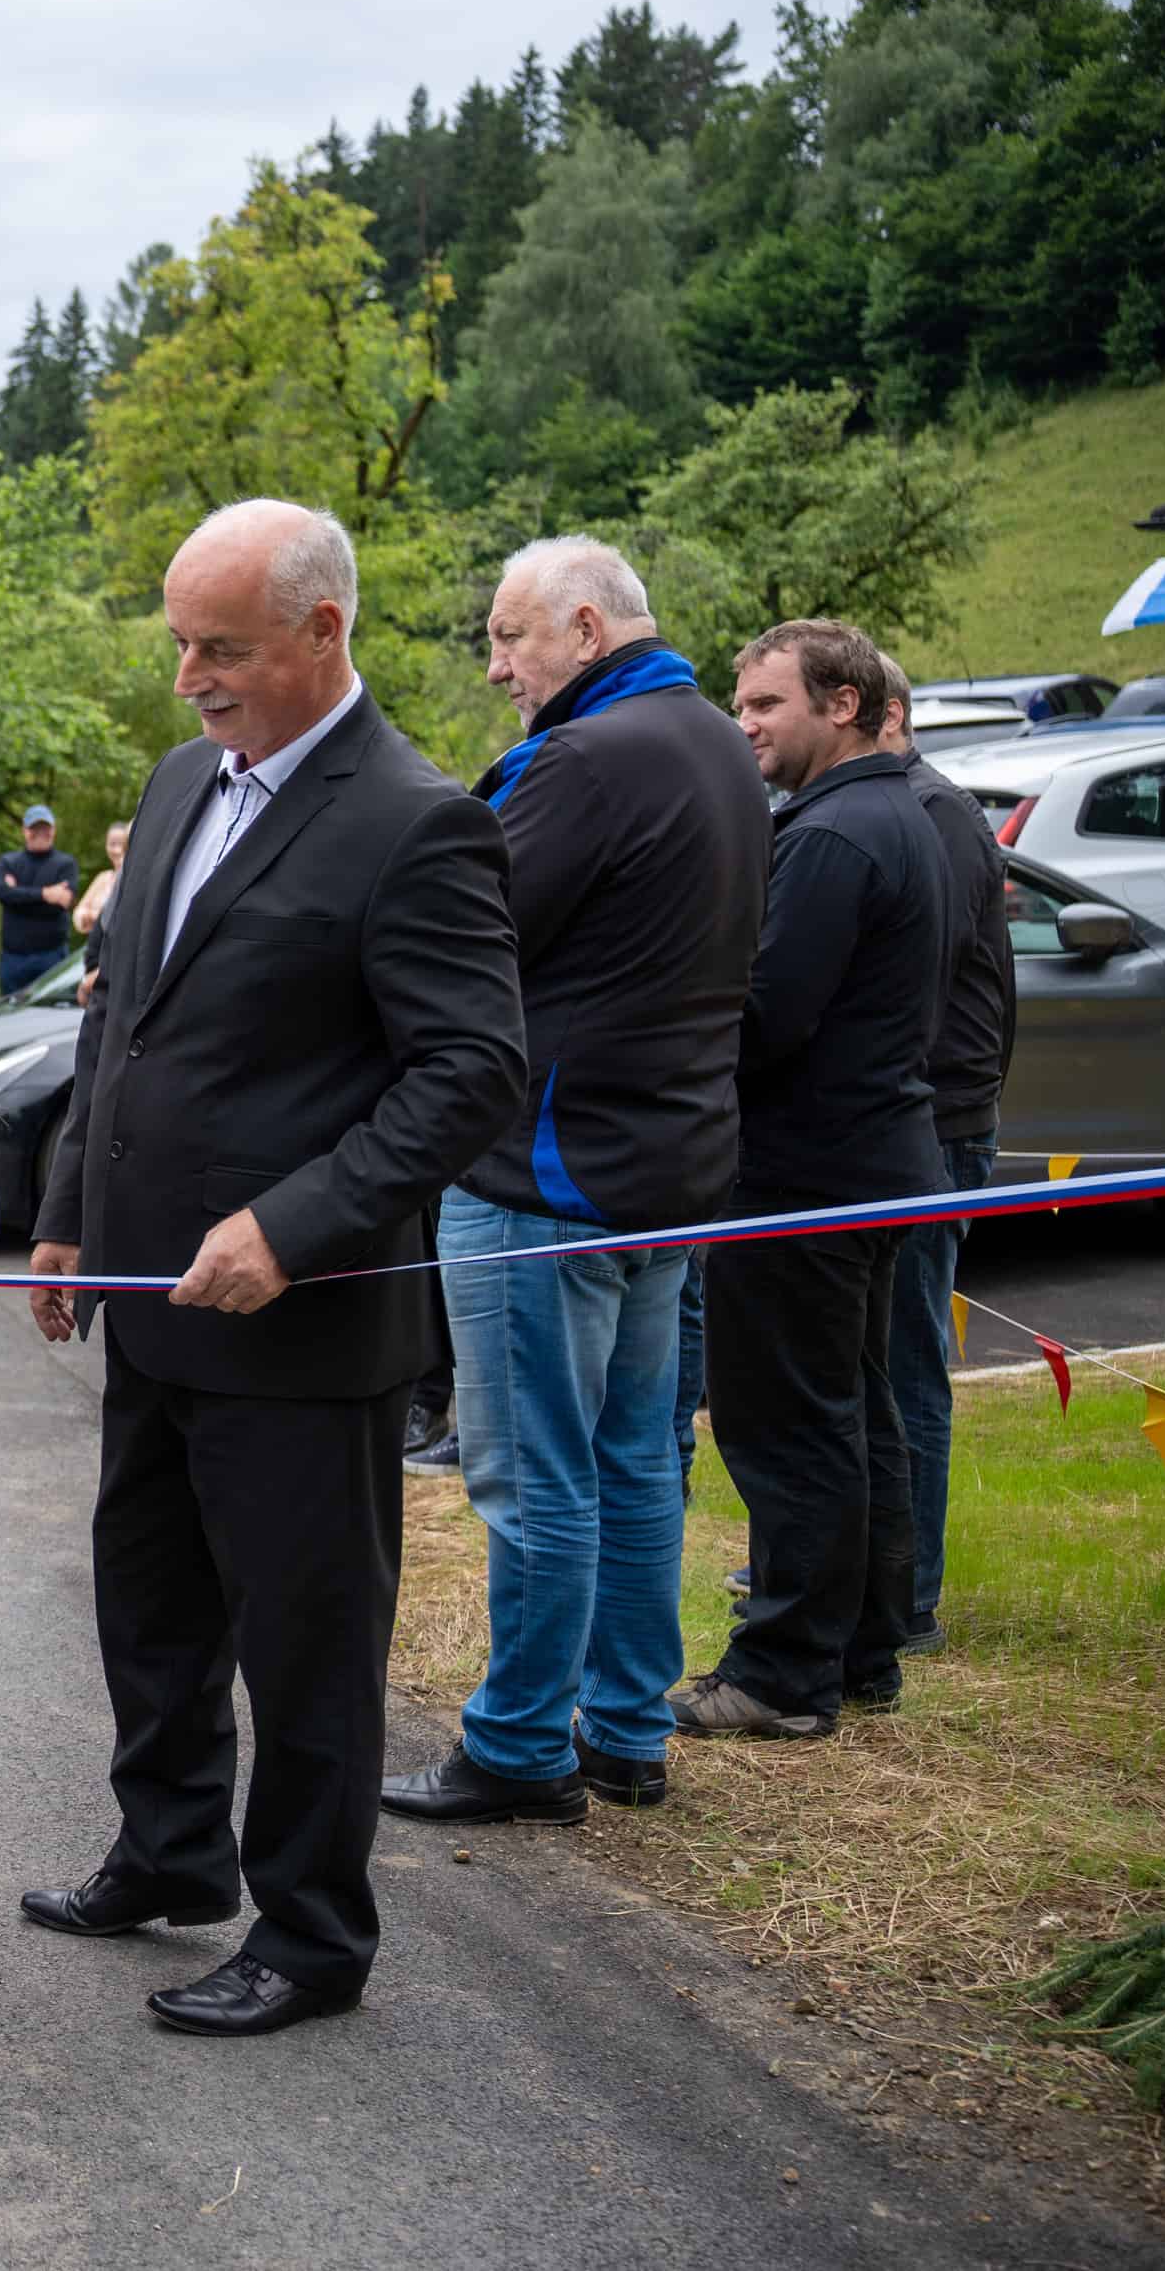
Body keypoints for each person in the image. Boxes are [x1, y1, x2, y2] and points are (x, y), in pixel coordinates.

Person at [23, 500, 525, 2039]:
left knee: (306, 1642)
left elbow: (471, 1074)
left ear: (325, 632)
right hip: (151, 1304)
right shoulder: (186, 783)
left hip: (303, 1327)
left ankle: (311, 1936)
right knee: (151, 1604)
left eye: (221, 647)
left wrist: (295, 1223)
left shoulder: (416, 819)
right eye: (181, 643)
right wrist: (64, 1205)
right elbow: (125, 1020)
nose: (189, 677)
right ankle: (170, 1855)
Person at [378, 537, 768, 1830]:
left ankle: (521, 1741)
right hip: (668, 1170)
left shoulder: (586, 759)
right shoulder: (715, 739)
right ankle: (626, 1723)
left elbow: (462, 926)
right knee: (636, 1456)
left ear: (586, 629)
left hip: (547, 1177)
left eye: (509, 638)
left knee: (535, 1468)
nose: (496, 667)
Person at [670, 620, 953, 1744]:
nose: (743, 725)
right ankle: (862, 1649)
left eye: (763, 706)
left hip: (806, 1177)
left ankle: (785, 1670)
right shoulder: (903, 810)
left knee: (786, 1420)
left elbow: (766, 1018)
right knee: (855, 1415)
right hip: (868, 1164)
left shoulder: (836, 835)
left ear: (840, 704)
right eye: (738, 705)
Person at [873, 654, 1014, 1661]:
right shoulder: (905, 807)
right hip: (910, 1116)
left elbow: (917, 985)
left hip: (931, 1121)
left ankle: (909, 1587)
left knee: (907, 1353)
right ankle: (864, 1554)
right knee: (863, 1353)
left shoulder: (930, 814)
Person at [0, 805, 80, 992]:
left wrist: (20, 895)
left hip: (52, 958)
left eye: (45, 828)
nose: (40, 833)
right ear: (25, 831)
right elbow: (3, 894)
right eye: (34, 828)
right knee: (10, 1017)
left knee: (54, 1017)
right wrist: (46, 894)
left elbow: (63, 902)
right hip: (14, 960)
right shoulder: (9, 862)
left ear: (53, 830)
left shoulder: (66, 864)